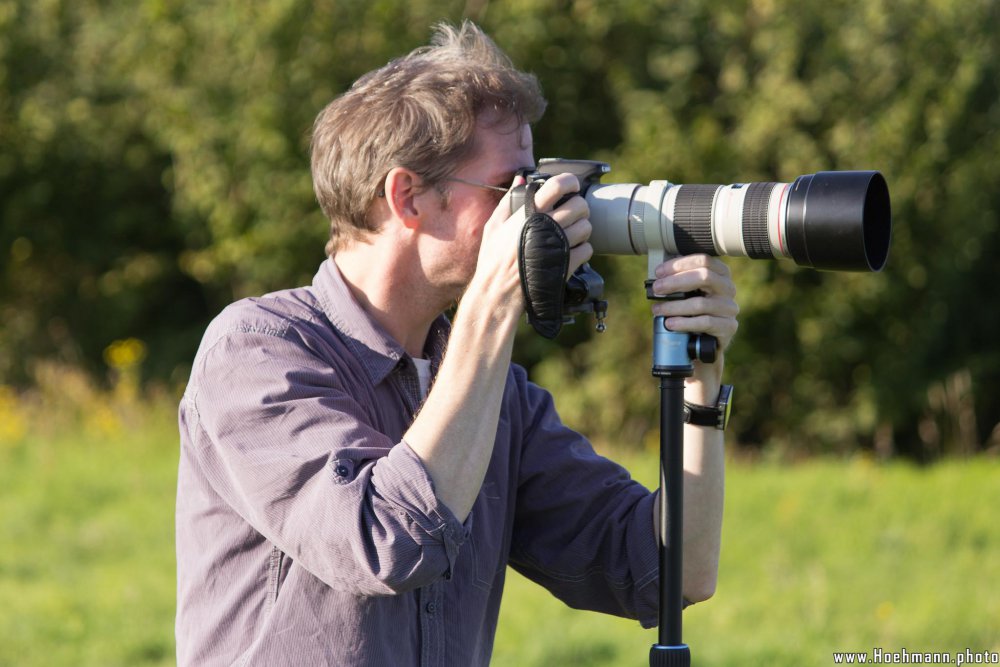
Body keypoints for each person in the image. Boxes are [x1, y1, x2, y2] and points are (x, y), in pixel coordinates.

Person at [175, 20, 738, 667]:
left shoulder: (497, 396)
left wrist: (701, 386)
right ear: (408, 195)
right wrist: (495, 304)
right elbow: (385, 540)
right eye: (511, 189)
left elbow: (668, 572)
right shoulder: (257, 351)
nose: (535, 214)